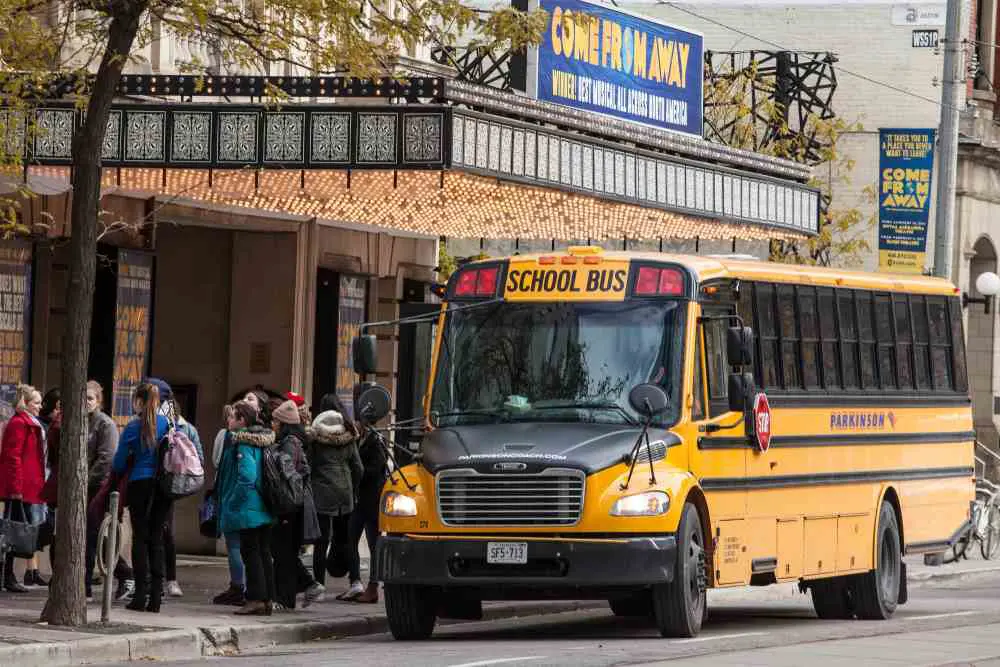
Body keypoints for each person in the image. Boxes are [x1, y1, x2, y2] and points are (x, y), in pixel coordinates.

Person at [111, 383, 170, 612]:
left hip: (139, 484)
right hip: (163, 486)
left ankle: (140, 595)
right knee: (157, 539)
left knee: (140, 539)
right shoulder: (167, 424)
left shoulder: (133, 427)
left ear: (138, 401)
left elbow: (118, 463)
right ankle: (156, 597)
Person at [145, 377, 203, 599]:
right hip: (160, 482)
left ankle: (163, 580)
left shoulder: (179, 426)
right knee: (159, 532)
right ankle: (162, 580)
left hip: (162, 483)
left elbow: (197, 457)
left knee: (160, 532)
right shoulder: (177, 425)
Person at [217, 401, 275, 616]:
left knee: (250, 553)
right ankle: (267, 597)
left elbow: (247, 477)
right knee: (263, 552)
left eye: (233, 417)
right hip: (263, 506)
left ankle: (255, 598)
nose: (229, 420)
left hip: (248, 507)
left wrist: (232, 501)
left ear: (242, 421)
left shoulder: (243, 443)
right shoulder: (262, 441)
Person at [307, 394, 363, 602]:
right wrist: (353, 489)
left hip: (322, 493)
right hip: (345, 492)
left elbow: (309, 465)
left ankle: (319, 585)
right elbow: (358, 467)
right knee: (348, 540)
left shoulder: (315, 436)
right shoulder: (349, 434)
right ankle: (356, 581)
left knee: (321, 542)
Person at [82, 380, 133, 602]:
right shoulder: (80, 422)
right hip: (82, 487)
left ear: (98, 401)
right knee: (88, 537)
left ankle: (123, 574)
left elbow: (106, 459)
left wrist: (85, 481)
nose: (86, 403)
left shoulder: (105, 424)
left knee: (94, 535)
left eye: (90, 398)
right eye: (83, 398)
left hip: (98, 487)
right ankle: (85, 585)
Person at [269, 400, 320, 610]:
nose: (272, 424)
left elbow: (287, 475)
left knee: (284, 554)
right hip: (295, 505)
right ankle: (304, 586)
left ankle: (285, 598)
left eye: (275, 421)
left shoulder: (289, 443)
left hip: (290, 506)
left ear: (283, 423)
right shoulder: (296, 441)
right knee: (285, 553)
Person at [0, 385, 46, 593]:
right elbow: (12, 457)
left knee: (14, 532)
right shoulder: (19, 424)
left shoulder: (30, 423)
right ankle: (7, 576)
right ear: (25, 404)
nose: (40, 406)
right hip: (20, 488)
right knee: (10, 532)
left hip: (30, 486)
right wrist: (16, 488)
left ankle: (8, 575)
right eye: (36, 402)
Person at [350, 417, 388, 603]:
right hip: (360, 499)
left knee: (374, 544)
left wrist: (358, 471)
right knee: (351, 540)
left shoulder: (376, 441)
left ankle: (373, 586)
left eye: (358, 422)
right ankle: (355, 583)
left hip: (373, 500)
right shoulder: (358, 440)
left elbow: (377, 468)